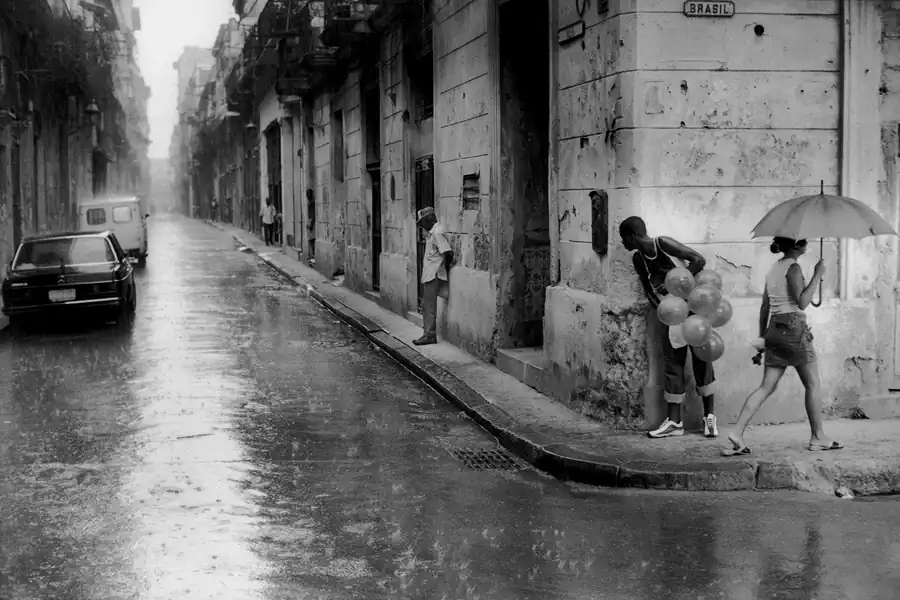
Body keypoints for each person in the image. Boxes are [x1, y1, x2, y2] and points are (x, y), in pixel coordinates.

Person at [724, 237, 843, 455]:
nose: (807, 243)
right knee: (813, 384)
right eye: (804, 240)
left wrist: (762, 339)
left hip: (775, 330)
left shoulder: (773, 270)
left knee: (766, 387)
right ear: (796, 245)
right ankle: (818, 437)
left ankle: (737, 432)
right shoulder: (793, 267)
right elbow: (802, 302)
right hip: (793, 329)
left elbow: (765, 307)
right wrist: (817, 275)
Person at [619, 216, 718, 439]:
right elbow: (648, 290)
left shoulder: (662, 244)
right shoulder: (638, 259)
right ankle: (675, 422)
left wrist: (676, 281)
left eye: (623, 238)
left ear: (632, 236)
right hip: (672, 316)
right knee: (673, 365)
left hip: (693, 308)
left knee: (703, 360)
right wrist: (663, 309)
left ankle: (710, 418)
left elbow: (698, 260)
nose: (623, 243)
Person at [413, 207, 453, 346]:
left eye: (422, 222)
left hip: (433, 275)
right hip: (431, 274)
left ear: (428, 219)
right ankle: (428, 333)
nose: (421, 226)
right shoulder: (433, 232)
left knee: (429, 306)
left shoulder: (437, 233)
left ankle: (429, 334)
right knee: (427, 305)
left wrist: (442, 268)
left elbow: (447, 252)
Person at [306, 189, 316, 261]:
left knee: (311, 239)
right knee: (310, 238)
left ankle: (312, 254)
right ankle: (311, 254)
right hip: (310, 220)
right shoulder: (310, 201)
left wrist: (311, 223)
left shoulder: (312, 202)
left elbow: (313, 213)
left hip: (312, 220)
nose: (307, 196)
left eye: (308, 194)